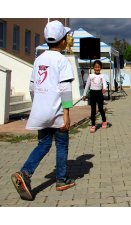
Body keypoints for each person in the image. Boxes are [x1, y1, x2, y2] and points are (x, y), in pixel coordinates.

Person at [11, 20, 75, 201]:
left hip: (41, 111)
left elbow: (32, 87)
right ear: (62, 40)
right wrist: (67, 114)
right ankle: (62, 180)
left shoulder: (39, 59)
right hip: (57, 112)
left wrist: (38, 104)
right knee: (61, 145)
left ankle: (26, 172)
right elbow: (65, 90)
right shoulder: (62, 61)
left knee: (44, 144)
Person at [82, 60, 108, 133]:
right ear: (93, 68)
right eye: (96, 67)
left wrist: (104, 88)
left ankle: (104, 121)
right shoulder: (90, 76)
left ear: (101, 68)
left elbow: (104, 83)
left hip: (99, 94)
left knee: (101, 109)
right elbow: (87, 86)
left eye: (98, 67)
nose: (97, 68)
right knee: (93, 110)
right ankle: (93, 125)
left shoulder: (102, 76)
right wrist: (84, 95)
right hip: (92, 94)